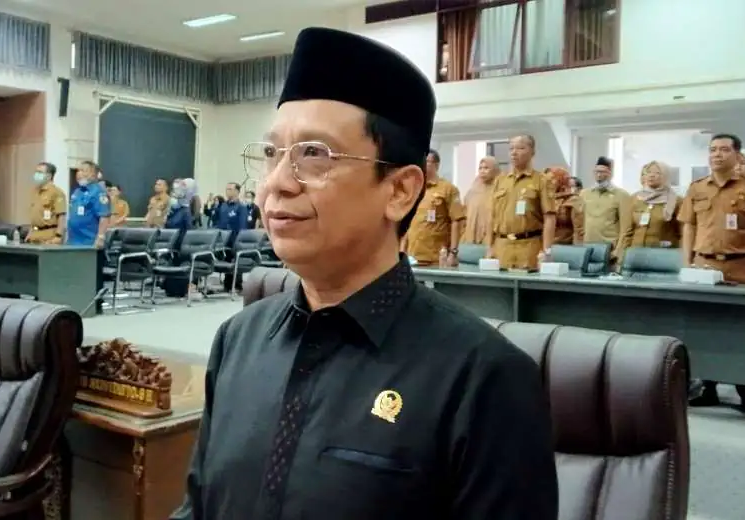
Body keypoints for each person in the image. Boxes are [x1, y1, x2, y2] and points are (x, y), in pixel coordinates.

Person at [171, 27, 557, 520]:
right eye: (271, 154)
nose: (276, 184)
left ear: (399, 191)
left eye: (314, 155)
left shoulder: (483, 378)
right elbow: (200, 505)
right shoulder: (238, 340)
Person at [678, 133, 745, 415]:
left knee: (743, 331)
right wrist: (686, 264)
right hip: (704, 268)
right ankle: (708, 387)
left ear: (737, 155)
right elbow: (688, 227)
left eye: (723, 150)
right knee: (705, 329)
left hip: (741, 268)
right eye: (712, 150)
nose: (716, 155)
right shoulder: (696, 188)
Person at [485, 134, 556, 270]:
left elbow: (550, 218)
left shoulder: (542, 180)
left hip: (529, 247)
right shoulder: (500, 180)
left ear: (532, 152)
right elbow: (491, 217)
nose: (514, 152)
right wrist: (489, 246)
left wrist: (547, 251)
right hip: (502, 246)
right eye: (511, 148)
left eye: (520, 148)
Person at [402, 149, 465, 266]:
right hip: (412, 256)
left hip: (436, 257)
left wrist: (453, 253)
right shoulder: (415, 188)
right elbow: (408, 222)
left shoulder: (448, 189)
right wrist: (402, 249)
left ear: (436, 165)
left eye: (426, 161)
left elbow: (457, 221)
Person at [618, 160, 681, 255]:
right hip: (636, 252)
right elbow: (627, 230)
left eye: (657, 173)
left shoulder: (676, 200)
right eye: (649, 172)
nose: (651, 175)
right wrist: (621, 254)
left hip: (663, 253)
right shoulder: (635, 198)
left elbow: (682, 232)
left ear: (666, 176)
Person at [580, 156, 631, 263]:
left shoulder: (622, 195)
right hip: (587, 247)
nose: (599, 175)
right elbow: (580, 222)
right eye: (596, 172)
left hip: (609, 248)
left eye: (603, 172)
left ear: (610, 173)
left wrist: (618, 251)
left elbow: (626, 228)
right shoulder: (584, 194)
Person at [67, 160, 110, 247]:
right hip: (73, 241)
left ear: (93, 174)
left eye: (83, 170)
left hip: (89, 242)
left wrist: (100, 237)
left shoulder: (98, 192)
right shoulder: (77, 191)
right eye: (78, 170)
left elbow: (104, 217)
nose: (79, 173)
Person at [461, 155, 499, 245]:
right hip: (471, 239)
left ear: (494, 169)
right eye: (480, 168)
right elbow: (464, 214)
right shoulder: (472, 191)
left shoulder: (500, 189)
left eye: (486, 168)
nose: (482, 171)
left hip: (493, 239)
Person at [27, 162, 67, 244]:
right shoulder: (35, 191)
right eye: (36, 172)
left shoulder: (56, 192)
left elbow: (61, 216)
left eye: (40, 172)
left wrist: (58, 236)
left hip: (49, 236)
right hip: (34, 235)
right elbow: (35, 216)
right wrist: (30, 233)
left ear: (49, 176)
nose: (36, 174)